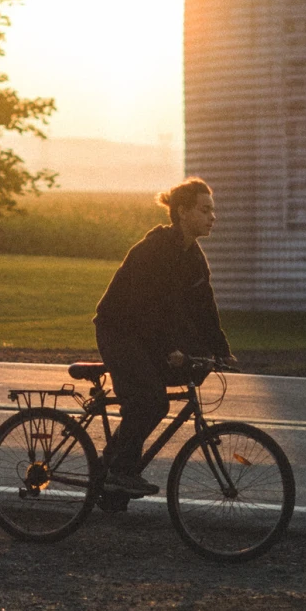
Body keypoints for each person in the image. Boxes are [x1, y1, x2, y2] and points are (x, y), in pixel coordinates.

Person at [91, 177, 235, 496]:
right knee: (150, 400)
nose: (213, 217)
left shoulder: (193, 256)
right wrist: (170, 348)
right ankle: (118, 471)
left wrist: (221, 350)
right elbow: (145, 309)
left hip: (143, 331)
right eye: (205, 210)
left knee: (157, 393)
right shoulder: (155, 250)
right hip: (119, 329)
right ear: (182, 212)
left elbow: (204, 308)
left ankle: (111, 476)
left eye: (213, 210)